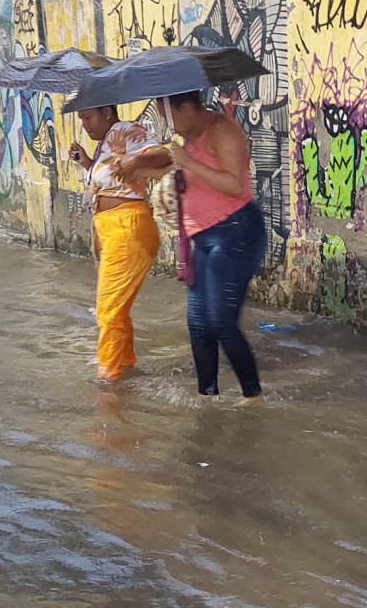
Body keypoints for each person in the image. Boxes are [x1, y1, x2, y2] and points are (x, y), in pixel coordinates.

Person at [124, 90, 265, 402]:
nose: (166, 122)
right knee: (198, 322)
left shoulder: (223, 131)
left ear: (186, 107)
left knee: (221, 321)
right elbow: (175, 167)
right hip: (203, 238)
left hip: (235, 234)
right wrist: (139, 169)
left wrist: (187, 161)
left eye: (167, 114)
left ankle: (253, 396)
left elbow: (234, 184)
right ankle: (207, 396)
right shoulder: (188, 136)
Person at [67, 105, 165, 382]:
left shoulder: (125, 131)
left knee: (108, 310)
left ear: (107, 112)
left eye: (88, 117)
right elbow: (112, 182)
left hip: (127, 228)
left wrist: (136, 162)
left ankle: (107, 382)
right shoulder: (106, 143)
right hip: (114, 229)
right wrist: (86, 161)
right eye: (81, 119)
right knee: (115, 308)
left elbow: (163, 154)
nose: (85, 125)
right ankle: (124, 367)